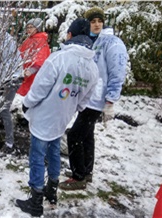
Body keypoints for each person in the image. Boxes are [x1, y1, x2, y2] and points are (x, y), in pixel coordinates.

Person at [15, 18, 99, 216]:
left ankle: (35, 201)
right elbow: (83, 101)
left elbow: (39, 89)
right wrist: (69, 106)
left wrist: (27, 104)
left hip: (44, 118)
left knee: (37, 157)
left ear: (70, 35)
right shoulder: (92, 68)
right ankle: (51, 192)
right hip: (63, 118)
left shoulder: (58, 58)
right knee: (53, 153)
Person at [59, 7, 129, 191]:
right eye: (93, 21)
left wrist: (110, 101)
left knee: (74, 135)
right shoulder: (91, 41)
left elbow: (117, 73)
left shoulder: (112, 43)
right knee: (87, 136)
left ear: (103, 22)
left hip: (97, 99)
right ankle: (86, 171)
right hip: (87, 98)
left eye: (99, 20)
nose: (97, 24)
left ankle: (78, 176)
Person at [0, 25, 23, 153]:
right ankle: (3, 120)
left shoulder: (0, 42)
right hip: (8, 78)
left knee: (4, 108)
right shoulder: (8, 40)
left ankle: (9, 143)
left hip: (11, 79)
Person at [17, 18, 51, 96]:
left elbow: (41, 58)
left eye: (31, 27)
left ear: (37, 28)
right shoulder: (28, 40)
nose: (28, 29)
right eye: (27, 27)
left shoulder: (41, 41)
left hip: (33, 75)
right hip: (24, 74)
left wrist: (32, 70)